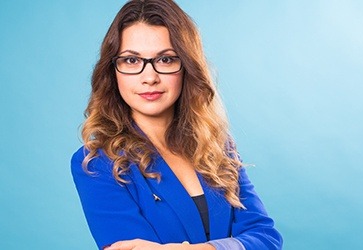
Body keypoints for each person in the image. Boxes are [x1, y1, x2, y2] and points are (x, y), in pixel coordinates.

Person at [71, 0, 283, 249]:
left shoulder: (218, 147)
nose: (149, 77)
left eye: (166, 59)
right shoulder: (97, 163)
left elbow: (266, 238)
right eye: (131, 61)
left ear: (187, 67)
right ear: (112, 70)